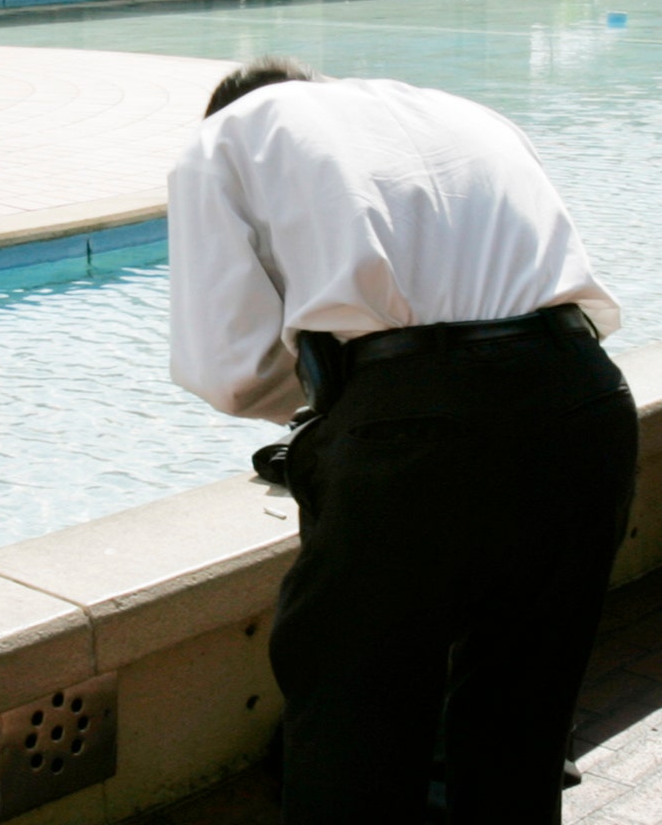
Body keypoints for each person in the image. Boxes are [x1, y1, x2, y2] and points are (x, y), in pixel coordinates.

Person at [167, 58, 639, 824]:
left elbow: (229, 370)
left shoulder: (226, 136)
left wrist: (349, 410)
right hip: (584, 399)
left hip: (411, 426)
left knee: (355, 734)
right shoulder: (461, 109)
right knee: (522, 728)